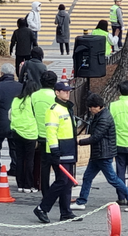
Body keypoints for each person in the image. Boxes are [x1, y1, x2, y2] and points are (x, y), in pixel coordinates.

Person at [70, 93, 128, 212]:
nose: (90, 109)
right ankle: (81, 201)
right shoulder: (101, 115)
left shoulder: (104, 118)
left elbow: (96, 137)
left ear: (98, 106)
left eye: (91, 107)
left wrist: (79, 142)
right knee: (87, 177)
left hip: (103, 154)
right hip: (99, 154)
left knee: (112, 178)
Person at [34, 81, 80, 224]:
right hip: (58, 150)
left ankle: (65, 211)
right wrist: (55, 151)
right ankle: (42, 208)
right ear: (57, 92)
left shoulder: (66, 108)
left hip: (68, 149)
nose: (68, 93)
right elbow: (51, 132)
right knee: (62, 181)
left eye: (68, 91)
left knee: (67, 183)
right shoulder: (53, 110)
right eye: (64, 91)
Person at [0, 63, 22, 177]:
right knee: (14, 145)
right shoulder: (20, 86)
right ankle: (15, 167)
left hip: (1, 119)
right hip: (15, 120)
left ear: (2, 73)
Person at [10, 74, 40, 193]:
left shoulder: (16, 100)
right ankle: (28, 185)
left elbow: (11, 114)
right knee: (29, 160)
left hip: (16, 132)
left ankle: (20, 184)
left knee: (19, 158)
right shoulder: (33, 100)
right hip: (31, 133)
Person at [32, 71, 58, 194]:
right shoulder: (55, 97)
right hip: (53, 135)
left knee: (44, 165)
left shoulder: (34, 96)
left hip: (38, 133)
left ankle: (44, 190)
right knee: (58, 165)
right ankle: (58, 190)